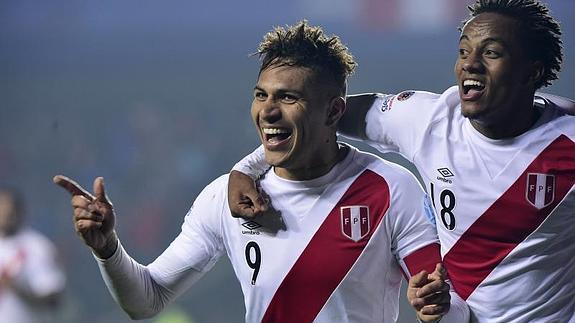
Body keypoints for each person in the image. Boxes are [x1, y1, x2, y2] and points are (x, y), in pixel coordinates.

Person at [54, 21, 470, 322]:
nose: (267, 111)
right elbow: (147, 300)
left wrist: (434, 304)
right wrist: (107, 248)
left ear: (333, 112)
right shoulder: (225, 197)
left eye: (288, 97)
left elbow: (439, 299)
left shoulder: (391, 190)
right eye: (261, 95)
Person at [228, 1, 575, 322]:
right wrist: (248, 167)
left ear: (532, 71)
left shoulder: (567, 141)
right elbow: (313, 116)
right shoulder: (426, 120)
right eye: (464, 51)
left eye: (492, 53)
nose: (470, 63)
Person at [0, 188, 66, 323]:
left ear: (19, 212)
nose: (5, 213)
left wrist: (14, 286)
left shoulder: (37, 247)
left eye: (9, 209)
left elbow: (52, 299)